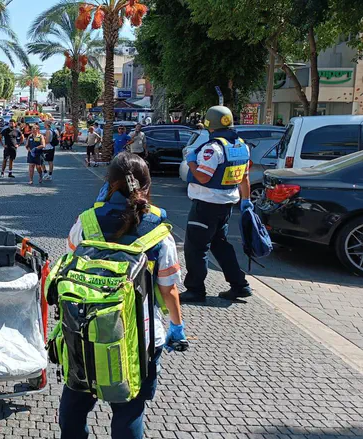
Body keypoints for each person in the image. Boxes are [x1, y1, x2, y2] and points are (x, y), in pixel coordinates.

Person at [60, 152, 187, 439]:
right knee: (129, 411)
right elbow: (168, 289)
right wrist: (177, 328)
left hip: (85, 329)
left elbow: (72, 264)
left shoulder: (87, 221)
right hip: (140, 336)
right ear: (147, 184)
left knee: (75, 403)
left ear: (109, 183)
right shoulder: (159, 231)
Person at [181, 105, 252, 303]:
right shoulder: (241, 146)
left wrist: (191, 161)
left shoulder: (213, 149)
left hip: (206, 205)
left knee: (196, 248)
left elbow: (203, 177)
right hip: (226, 205)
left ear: (209, 125)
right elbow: (245, 178)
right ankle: (239, 285)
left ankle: (195, 289)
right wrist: (247, 202)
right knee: (220, 245)